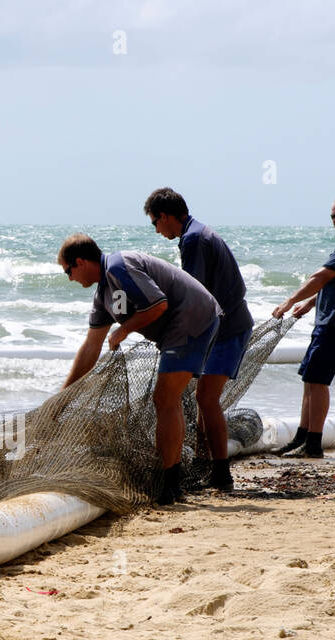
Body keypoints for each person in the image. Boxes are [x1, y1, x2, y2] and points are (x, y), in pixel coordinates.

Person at [57, 233, 222, 504]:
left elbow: (157, 304)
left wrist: (123, 329)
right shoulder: (103, 293)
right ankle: (171, 481)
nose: (70, 279)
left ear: (80, 262)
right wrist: (64, 396)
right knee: (168, 401)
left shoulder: (118, 266)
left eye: (68, 272)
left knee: (164, 399)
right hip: (181, 326)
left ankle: (169, 486)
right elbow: (91, 347)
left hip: (192, 316)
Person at [144, 188, 254, 492]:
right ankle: (207, 465)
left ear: (165, 216)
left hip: (227, 328)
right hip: (223, 325)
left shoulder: (193, 240)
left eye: (155, 222)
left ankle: (221, 473)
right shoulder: (197, 233)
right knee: (201, 399)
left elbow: (193, 293)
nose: (156, 229)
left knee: (205, 398)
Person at [270, 195, 335, 458]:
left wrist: (289, 301)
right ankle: (302, 438)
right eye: (332, 217)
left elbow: (322, 276)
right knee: (310, 379)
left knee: (318, 382)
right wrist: (308, 305)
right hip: (334, 324)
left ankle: (314, 445)